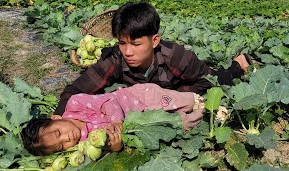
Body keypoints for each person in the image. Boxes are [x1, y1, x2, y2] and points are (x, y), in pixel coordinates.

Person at [53, 2, 250, 117]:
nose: (128, 52)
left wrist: (172, 96)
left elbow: (206, 82)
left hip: (188, 79)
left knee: (221, 79)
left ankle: (238, 64)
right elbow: (75, 90)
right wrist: (59, 116)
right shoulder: (115, 58)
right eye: (122, 43)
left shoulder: (177, 57)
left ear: (154, 40)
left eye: (136, 44)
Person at [21, 83, 205, 155]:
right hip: (143, 123)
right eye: (61, 146)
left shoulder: (75, 103)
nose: (67, 138)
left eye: (59, 132)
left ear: (55, 117)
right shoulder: (84, 144)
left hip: (139, 98)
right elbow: (107, 146)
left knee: (178, 101)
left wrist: (117, 121)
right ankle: (208, 113)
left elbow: (108, 101)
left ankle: (199, 100)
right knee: (179, 124)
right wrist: (116, 147)